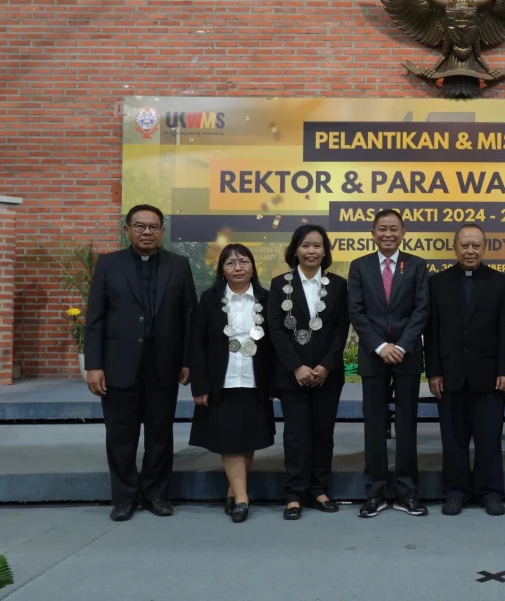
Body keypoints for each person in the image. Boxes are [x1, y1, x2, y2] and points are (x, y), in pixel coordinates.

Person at [84, 204, 196, 522]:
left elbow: (188, 317)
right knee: (121, 435)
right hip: (119, 365)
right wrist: (94, 365)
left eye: (153, 227)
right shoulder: (108, 265)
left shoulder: (179, 265)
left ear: (162, 231)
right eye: (140, 226)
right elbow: (95, 318)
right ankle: (124, 498)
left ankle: (156, 494)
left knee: (160, 434)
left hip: (164, 365)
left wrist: (187, 361)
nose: (147, 232)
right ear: (127, 230)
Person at [425, 224, 505, 516]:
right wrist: (434, 372)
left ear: (484, 248)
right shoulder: (437, 283)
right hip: (450, 374)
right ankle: (455, 491)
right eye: (465, 245)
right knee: (453, 439)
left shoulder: (500, 282)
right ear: (454, 248)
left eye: (476, 245)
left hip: (489, 374)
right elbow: (433, 330)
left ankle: (490, 491)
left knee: (489, 438)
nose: (470, 250)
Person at [347, 209, 430, 518]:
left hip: (407, 357)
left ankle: (408, 493)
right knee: (375, 428)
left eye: (394, 229)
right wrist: (381, 346)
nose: (388, 234)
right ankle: (375, 492)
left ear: (403, 231)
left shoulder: (417, 266)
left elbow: (422, 310)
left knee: (407, 428)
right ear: (372, 232)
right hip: (373, 356)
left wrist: (403, 346)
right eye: (382, 229)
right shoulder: (359, 266)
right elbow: (356, 312)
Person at [267, 224, 349, 521]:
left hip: (327, 373)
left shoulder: (339, 285)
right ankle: (294, 494)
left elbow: (342, 329)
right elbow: (275, 329)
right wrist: (297, 367)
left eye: (317, 246)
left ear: (325, 251)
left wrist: (326, 365)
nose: (311, 251)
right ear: (295, 250)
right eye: (305, 245)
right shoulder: (280, 284)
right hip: (293, 374)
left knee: (323, 434)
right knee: (296, 435)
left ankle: (319, 489)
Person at [188, 244, 275, 523]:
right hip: (221, 382)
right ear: (222, 271)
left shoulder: (267, 298)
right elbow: (197, 344)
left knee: (247, 439)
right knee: (230, 441)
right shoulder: (210, 299)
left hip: (255, 380)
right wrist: (199, 385)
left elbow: (275, 346)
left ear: (252, 266)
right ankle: (241, 498)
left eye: (243, 262)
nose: (238, 268)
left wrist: (274, 384)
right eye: (230, 263)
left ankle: (232, 489)